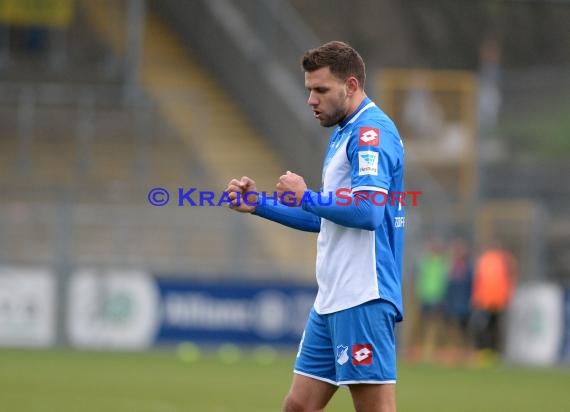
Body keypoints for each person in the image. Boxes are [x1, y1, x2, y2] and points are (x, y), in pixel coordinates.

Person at [226, 41, 405, 412]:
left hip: (363, 295)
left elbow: (368, 212)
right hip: (332, 298)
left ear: (351, 86)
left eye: (321, 90)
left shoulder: (370, 133)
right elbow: (326, 219)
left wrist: (306, 195)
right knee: (298, 406)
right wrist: (259, 205)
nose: (311, 99)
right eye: (309, 89)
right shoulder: (343, 133)